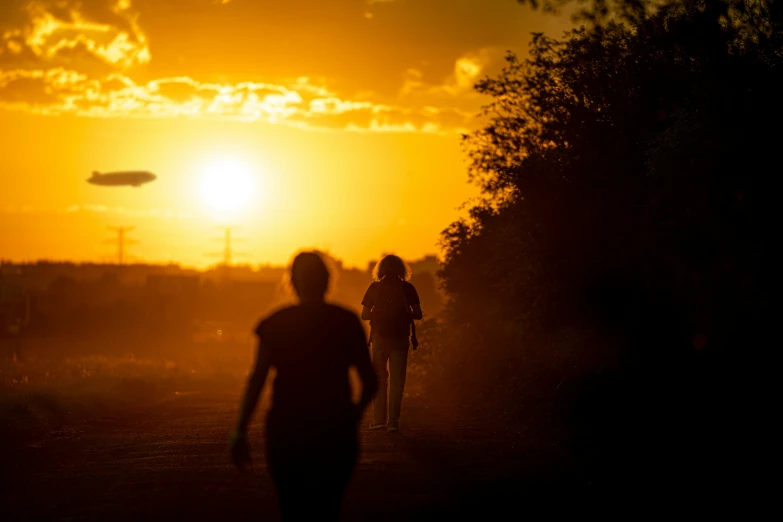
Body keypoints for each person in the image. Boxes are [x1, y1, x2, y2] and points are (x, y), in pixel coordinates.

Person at [230, 251, 378, 522]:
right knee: (328, 508)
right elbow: (370, 381)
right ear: (328, 281)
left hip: (287, 432)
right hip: (335, 432)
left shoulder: (274, 324)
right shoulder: (346, 322)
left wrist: (239, 431)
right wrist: (353, 417)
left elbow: (257, 379)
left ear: (292, 282)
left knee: (292, 508)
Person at [361, 254, 423, 433]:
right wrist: (404, 315)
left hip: (379, 338)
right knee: (397, 382)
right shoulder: (408, 288)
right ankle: (393, 423)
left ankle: (379, 420)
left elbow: (364, 315)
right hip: (401, 339)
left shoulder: (374, 287)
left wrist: (379, 315)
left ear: (380, 270)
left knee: (380, 379)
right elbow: (418, 313)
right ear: (401, 270)